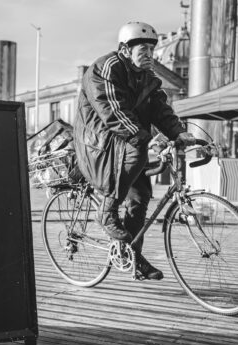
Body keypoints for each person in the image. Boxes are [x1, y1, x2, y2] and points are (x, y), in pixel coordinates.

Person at [73, 21, 196, 280]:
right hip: (101, 144)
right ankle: (106, 211)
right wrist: (145, 138)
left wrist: (179, 133)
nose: (149, 54)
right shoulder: (106, 68)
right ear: (125, 49)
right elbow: (112, 110)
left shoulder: (149, 79)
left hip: (127, 144)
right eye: (143, 48)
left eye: (152, 49)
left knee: (139, 199)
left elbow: (161, 110)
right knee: (138, 153)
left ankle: (133, 258)